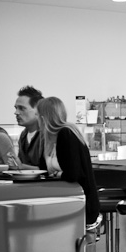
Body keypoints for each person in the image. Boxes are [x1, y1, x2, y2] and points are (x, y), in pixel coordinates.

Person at [36, 97, 101, 227]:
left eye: (38, 115)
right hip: (65, 200)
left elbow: (74, 174)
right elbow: (42, 169)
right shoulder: (49, 138)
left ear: (43, 118)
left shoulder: (66, 134)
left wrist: (58, 175)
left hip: (80, 203)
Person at [9, 86, 44, 170]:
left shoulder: (48, 134)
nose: (16, 112)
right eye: (16, 108)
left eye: (21, 108)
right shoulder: (23, 135)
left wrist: (21, 167)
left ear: (38, 110)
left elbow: (49, 171)